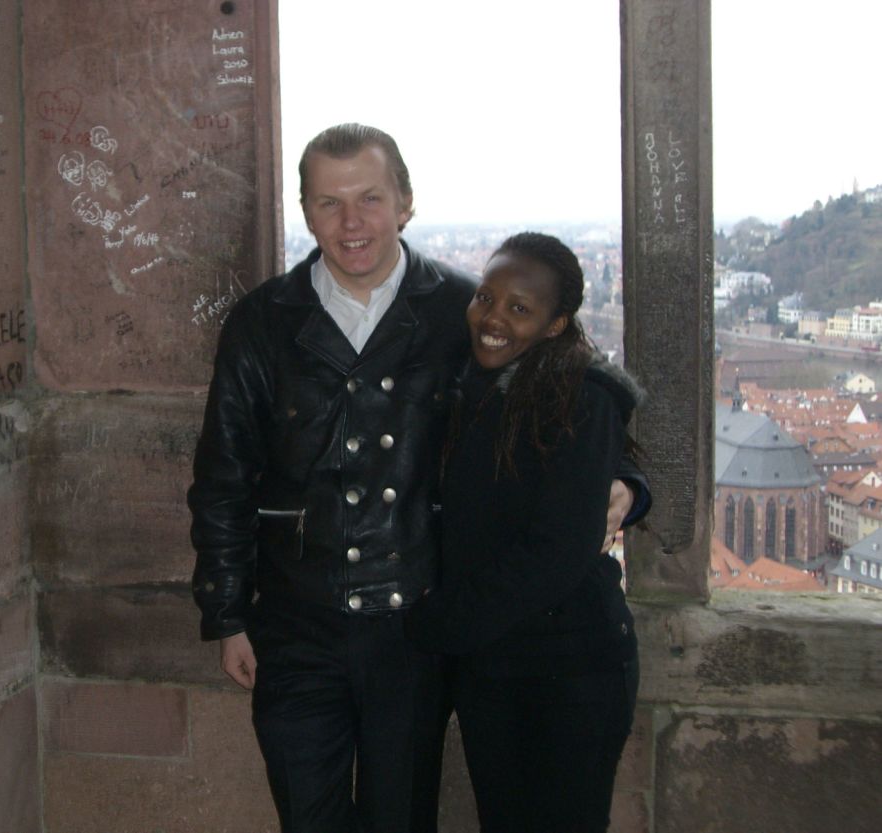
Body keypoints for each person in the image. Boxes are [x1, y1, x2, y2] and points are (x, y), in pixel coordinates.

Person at [188, 124, 648, 833]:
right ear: (305, 212)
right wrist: (225, 612)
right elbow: (223, 472)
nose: (351, 223)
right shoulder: (262, 322)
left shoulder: (466, 309)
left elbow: (565, 396)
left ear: (405, 202)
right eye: (328, 202)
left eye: (370, 198)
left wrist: (624, 477)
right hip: (295, 622)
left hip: (413, 626)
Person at [405, 232, 643, 833]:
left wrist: (436, 623)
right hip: (491, 663)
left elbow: (557, 553)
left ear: (556, 324)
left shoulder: (580, 397)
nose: (493, 318)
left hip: (570, 666)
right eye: (486, 297)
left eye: (520, 309)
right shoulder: (464, 379)